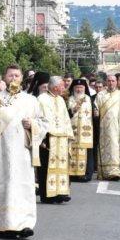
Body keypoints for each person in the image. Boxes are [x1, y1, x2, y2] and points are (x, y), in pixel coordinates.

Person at [0, 64, 41, 238]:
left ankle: (23, 223)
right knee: (2, 182)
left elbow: (43, 122)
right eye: (10, 76)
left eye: (17, 76)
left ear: (22, 78)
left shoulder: (31, 100)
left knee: (22, 184)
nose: (14, 79)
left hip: (22, 150)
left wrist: (32, 125)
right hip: (0, 150)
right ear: (5, 78)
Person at [35, 75, 73, 204]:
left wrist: (68, 135)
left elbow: (66, 119)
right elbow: (38, 119)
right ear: (56, 87)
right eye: (62, 85)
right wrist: (41, 138)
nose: (64, 88)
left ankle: (60, 192)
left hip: (61, 138)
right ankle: (47, 195)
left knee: (61, 165)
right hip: (48, 137)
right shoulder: (41, 99)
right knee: (46, 167)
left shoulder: (61, 100)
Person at [94, 74, 120, 180]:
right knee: (106, 150)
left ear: (116, 82)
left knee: (116, 149)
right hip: (105, 128)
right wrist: (95, 112)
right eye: (109, 81)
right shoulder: (101, 95)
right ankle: (106, 172)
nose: (111, 83)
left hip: (119, 128)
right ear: (106, 82)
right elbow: (96, 109)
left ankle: (116, 172)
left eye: (113, 81)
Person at [67, 78, 95, 182]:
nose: (79, 89)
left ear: (84, 88)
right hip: (73, 131)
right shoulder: (69, 99)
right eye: (77, 87)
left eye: (81, 87)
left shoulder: (89, 99)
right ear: (73, 88)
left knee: (86, 152)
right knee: (71, 151)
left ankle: (86, 174)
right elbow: (66, 114)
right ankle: (72, 174)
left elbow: (94, 115)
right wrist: (73, 110)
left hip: (86, 132)